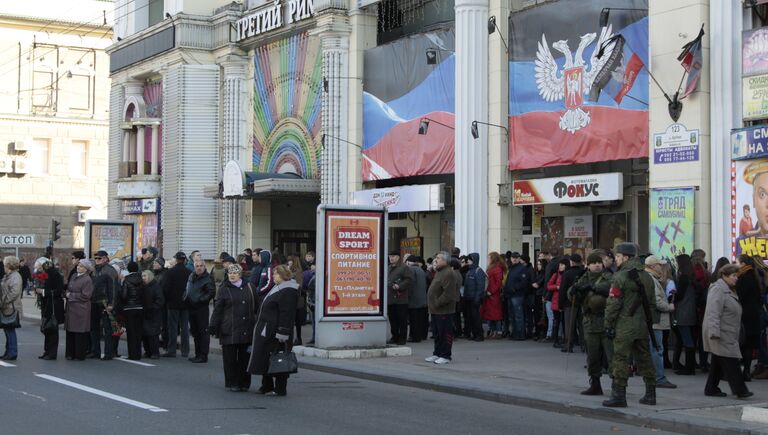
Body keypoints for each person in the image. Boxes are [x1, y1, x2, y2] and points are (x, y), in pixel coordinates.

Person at [603, 243, 657, 408]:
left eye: (618, 257)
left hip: (624, 324)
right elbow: (652, 304)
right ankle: (650, 394)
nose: (616, 260)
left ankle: (619, 395)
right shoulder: (647, 277)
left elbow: (613, 304)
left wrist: (608, 324)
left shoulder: (620, 276)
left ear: (626, 257)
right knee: (645, 358)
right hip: (642, 325)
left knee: (620, 358)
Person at [247, 265, 298, 396]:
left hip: (276, 332)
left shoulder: (288, 290)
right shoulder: (278, 287)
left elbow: (287, 313)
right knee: (266, 357)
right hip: (267, 329)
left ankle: (280, 388)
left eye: (275, 274)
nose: (273, 276)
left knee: (279, 358)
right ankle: (266, 385)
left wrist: (283, 332)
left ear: (282, 275)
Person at [703, 264, 753, 398]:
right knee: (731, 362)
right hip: (721, 332)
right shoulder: (718, 289)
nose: (736, 278)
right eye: (733, 276)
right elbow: (713, 312)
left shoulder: (729, 290)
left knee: (718, 362)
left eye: (737, 276)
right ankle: (741, 390)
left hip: (728, 332)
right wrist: (713, 332)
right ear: (724, 276)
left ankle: (711, 388)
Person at [568, 252, 613, 395]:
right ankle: (595, 384)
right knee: (592, 357)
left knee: (612, 357)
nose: (598, 265)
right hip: (590, 322)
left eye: (599, 262)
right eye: (594, 263)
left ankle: (618, 388)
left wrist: (593, 288)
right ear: (588, 265)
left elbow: (611, 288)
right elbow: (571, 295)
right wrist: (573, 290)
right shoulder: (583, 277)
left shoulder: (608, 276)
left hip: (606, 321)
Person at [209, 264, 255, 392]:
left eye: (235, 273)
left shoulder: (250, 287)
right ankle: (232, 382)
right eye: (230, 273)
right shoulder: (224, 289)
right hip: (229, 327)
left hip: (247, 328)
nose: (232, 275)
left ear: (240, 274)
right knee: (229, 358)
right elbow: (218, 310)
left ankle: (244, 382)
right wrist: (213, 326)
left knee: (244, 358)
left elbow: (256, 307)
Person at [645, 255, 677, 389]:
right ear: (653, 266)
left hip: (653, 320)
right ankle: (659, 378)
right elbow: (657, 302)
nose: (661, 267)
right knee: (657, 349)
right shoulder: (652, 280)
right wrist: (669, 307)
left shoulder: (651, 279)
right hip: (656, 320)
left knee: (654, 349)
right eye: (659, 264)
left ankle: (654, 377)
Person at [425, 251, 459, 365]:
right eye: (436, 258)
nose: (435, 260)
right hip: (435, 311)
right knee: (437, 333)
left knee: (445, 333)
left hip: (444, 310)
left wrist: (437, 303)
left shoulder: (448, 273)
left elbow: (449, 294)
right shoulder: (440, 272)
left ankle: (445, 355)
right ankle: (437, 353)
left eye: (438, 258)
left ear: (445, 261)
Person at [736, 255, 763, 381]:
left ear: (742, 263)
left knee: (744, 343)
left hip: (745, 315)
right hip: (754, 315)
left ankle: (744, 371)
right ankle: (746, 371)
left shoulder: (744, 277)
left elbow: (740, 296)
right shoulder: (754, 275)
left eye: (737, 262)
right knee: (749, 345)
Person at [87, 250, 117, 360]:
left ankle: (108, 353)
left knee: (107, 329)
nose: (97, 260)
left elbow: (113, 288)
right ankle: (95, 351)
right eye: (95, 258)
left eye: (99, 258)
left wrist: (111, 304)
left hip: (105, 302)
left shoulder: (110, 270)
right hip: (94, 301)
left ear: (105, 258)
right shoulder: (94, 270)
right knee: (94, 328)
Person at [673, 254, 699, 375]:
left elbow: (679, 296)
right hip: (691, 311)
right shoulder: (692, 276)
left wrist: (673, 295)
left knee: (687, 339)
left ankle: (689, 368)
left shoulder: (683, 278)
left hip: (683, 311)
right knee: (689, 339)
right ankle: (690, 365)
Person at [163, 252, 191, 357]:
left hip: (173, 303)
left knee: (173, 327)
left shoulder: (170, 272)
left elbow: (165, 288)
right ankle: (185, 351)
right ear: (184, 260)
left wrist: (167, 299)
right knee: (184, 327)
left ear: (176, 259)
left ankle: (172, 350)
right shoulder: (189, 272)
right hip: (186, 303)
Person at [185, 259, 214, 363]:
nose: (199, 267)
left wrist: (200, 300)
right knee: (195, 332)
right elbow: (188, 288)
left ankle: (203, 355)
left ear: (204, 267)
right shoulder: (191, 276)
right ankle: (197, 354)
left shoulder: (208, 277)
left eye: (201, 266)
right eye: (197, 266)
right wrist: (185, 297)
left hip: (201, 308)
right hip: (191, 307)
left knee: (203, 332)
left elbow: (211, 292)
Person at [65, 259, 94, 361]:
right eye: (78, 265)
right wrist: (67, 292)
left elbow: (86, 295)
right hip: (71, 308)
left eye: (81, 266)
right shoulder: (74, 276)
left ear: (86, 269)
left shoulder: (87, 280)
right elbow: (69, 288)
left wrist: (71, 295)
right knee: (71, 331)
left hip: (81, 309)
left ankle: (79, 354)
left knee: (79, 332)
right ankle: (70, 353)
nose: (78, 267)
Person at [36, 258, 64, 360]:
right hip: (47, 305)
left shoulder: (55, 275)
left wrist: (43, 292)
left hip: (53, 306)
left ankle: (52, 353)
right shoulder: (46, 274)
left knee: (52, 329)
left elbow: (58, 291)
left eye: (39, 266)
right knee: (47, 328)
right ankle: (47, 351)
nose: (38, 268)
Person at [119, 262, 145, 360]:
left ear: (128, 269)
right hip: (140, 308)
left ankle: (132, 354)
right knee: (138, 331)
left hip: (129, 308)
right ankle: (138, 353)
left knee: (131, 332)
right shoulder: (141, 280)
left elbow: (124, 296)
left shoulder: (126, 280)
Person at [560, 254, 585, 353]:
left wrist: (561, 304)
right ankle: (584, 345)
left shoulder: (567, 274)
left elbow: (562, 290)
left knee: (569, 325)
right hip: (583, 302)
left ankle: (568, 345)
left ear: (572, 262)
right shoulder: (584, 272)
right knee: (582, 325)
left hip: (569, 303)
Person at [387, 251, 413, 345]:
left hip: (400, 298)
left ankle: (402, 338)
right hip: (390, 298)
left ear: (398, 257)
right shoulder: (389, 267)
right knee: (392, 319)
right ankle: (394, 337)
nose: (391, 258)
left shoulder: (404, 267)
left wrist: (400, 286)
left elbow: (409, 280)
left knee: (402, 320)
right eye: (390, 256)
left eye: (393, 256)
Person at [1, 256, 23, 360]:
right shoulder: (8, 276)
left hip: (11, 307)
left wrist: (4, 301)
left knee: (10, 330)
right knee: (7, 330)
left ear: (9, 265)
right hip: (7, 307)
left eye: (5, 264)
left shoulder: (15, 276)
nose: (3, 266)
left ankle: (12, 352)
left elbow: (14, 292)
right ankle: (8, 352)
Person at [503, 252, 528, 340]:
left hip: (517, 295)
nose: (514, 259)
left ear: (519, 258)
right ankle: (515, 333)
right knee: (512, 315)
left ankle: (520, 334)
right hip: (510, 295)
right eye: (513, 257)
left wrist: (514, 288)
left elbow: (524, 282)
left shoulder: (522, 268)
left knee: (518, 315)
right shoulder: (511, 268)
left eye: (516, 257)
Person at [462, 252, 486, 341]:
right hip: (468, 298)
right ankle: (474, 334)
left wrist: (477, 298)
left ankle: (479, 334)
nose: (467, 261)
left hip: (474, 299)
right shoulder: (469, 270)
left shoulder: (478, 271)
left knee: (476, 318)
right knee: (470, 317)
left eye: (469, 259)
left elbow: (480, 286)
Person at [141, 270, 164, 359]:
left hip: (154, 314)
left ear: (150, 276)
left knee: (153, 335)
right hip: (145, 313)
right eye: (142, 276)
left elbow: (160, 300)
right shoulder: (143, 286)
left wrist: (153, 308)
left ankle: (155, 352)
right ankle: (148, 351)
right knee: (145, 334)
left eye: (145, 276)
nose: (143, 278)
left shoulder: (156, 286)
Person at [407, 256, 429, 343]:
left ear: (409, 262)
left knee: (413, 320)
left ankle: (414, 337)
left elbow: (410, 285)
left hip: (414, 299)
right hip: (422, 299)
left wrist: (408, 296)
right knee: (420, 319)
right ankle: (420, 335)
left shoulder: (411, 270)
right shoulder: (421, 270)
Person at [547, 259, 569, 348]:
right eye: (560, 264)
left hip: (564, 301)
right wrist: (557, 287)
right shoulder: (556, 275)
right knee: (556, 321)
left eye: (563, 265)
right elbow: (549, 286)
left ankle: (565, 339)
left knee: (564, 322)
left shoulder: (567, 275)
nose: (560, 266)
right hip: (556, 301)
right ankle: (556, 339)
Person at [287, 255, 306, 345]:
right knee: (291, 320)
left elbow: (299, 285)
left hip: (296, 298)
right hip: (290, 298)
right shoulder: (289, 270)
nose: (288, 262)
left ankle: (298, 338)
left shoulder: (297, 271)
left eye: (290, 261)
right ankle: (293, 338)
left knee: (297, 320)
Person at [532, 258, 549, 341]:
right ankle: (538, 332)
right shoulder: (538, 273)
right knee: (537, 314)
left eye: (539, 264)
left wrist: (534, 284)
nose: (538, 266)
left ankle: (541, 332)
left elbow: (536, 284)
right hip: (537, 294)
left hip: (540, 295)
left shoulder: (543, 274)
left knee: (540, 314)